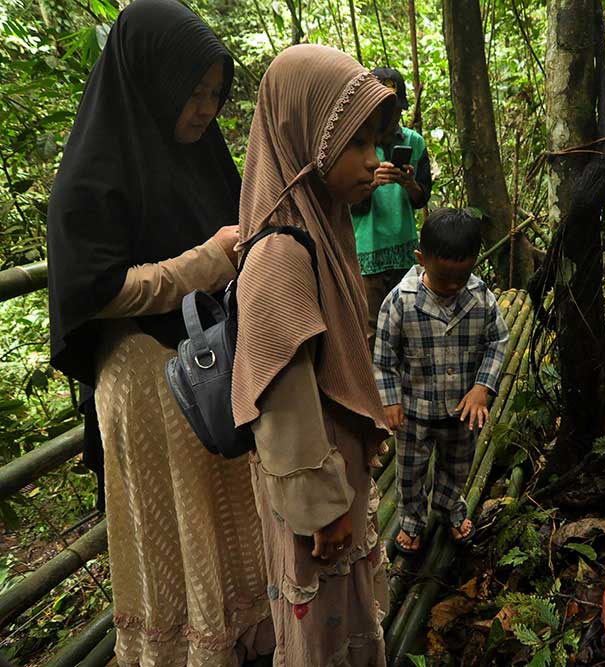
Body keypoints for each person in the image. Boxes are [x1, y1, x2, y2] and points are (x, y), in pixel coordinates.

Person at [46, 1, 272, 664]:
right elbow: (94, 289)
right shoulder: (88, 181)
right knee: (181, 532)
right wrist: (200, 263)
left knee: (233, 522)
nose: (204, 109)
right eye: (191, 92)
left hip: (216, 371)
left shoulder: (201, 159)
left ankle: (248, 634)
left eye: (214, 93)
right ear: (149, 81)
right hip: (149, 384)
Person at [231, 44, 397, 666]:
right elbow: (284, 403)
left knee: (338, 619)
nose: (372, 161)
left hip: (333, 480)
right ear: (306, 139)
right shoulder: (281, 253)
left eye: (375, 142)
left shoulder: (319, 226)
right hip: (316, 500)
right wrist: (323, 512)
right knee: (322, 632)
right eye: (356, 144)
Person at [372, 208, 509, 554]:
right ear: (421, 259)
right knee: (411, 472)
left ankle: (450, 508)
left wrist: (482, 387)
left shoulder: (480, 298)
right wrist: (390, 400)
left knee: (457, 466)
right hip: (415, 411)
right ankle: (412, 521)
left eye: (461, 279)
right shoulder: (400, 303)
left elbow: (498, 340)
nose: (453, 287)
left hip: (463, 411)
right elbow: (384, 356)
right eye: (445, 279)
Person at [350, 67, 432, 345]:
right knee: (369, 332)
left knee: (406, 326)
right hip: (366, 253)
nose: (389, 117)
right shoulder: (355, 143)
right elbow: (346, 203)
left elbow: (422, 199)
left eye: (394, 110)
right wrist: (371, 184)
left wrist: (408, 184)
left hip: (405, 251)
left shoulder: (414, 142)